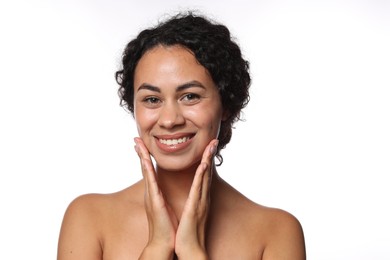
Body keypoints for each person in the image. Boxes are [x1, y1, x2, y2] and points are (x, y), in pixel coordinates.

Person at [57, 11, 306, 260]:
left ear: (226, 105)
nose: (169, 120)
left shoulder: (276, 232)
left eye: (190, 96)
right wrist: (157, 246)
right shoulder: (88, 219)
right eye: (152, 99)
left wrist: (193, 252)